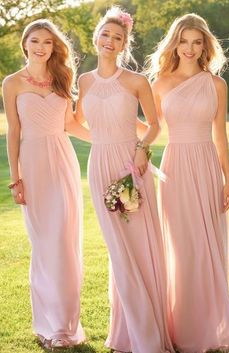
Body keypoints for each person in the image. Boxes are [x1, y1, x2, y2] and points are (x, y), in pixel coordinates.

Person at [75, 6, 174, 353]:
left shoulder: (136, 81)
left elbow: (155, 126)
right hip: (99, 166)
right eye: (105, 34)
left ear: (124, 45)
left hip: (131, 168)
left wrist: (141, 149)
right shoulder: (84, 81)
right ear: (96, 37)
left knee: (139, 248)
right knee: (118, 251)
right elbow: (76, 125)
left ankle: (148, 336)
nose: (110, 41)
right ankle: (128, 333)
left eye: (118, 38)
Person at [148, 13, 229, 352]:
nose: (189, 48)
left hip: (205, 166)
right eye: (183, 41)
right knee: (182, 248)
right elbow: (152, 129)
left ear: (205, 46)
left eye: (197, 42)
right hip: (174, 169)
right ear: (175, 43)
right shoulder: (160, 84)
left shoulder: (216, 84)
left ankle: (210, 327)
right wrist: (135, 150)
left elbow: (220, 137)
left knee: (208, 246)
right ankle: (183, 328)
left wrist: (228, 180)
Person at [2, 19, 88, 349]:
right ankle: (46, 324)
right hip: (33, 164)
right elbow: (14, 132)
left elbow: (69, 124)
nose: (41, 47)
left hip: (62, 161)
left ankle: (65, 327)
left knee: (65, 241)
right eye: (35, 41)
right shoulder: (12, 83)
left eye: (48, 43)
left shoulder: (62, 78)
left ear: (54, 47)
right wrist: (15, 179)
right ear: (25, 44)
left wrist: (110, 140)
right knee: (44, 244)